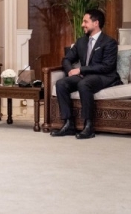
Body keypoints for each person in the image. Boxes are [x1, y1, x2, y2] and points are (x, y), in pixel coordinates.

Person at [51, 9, 121, 139]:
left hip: (106, 76)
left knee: (84, 84)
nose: (83, 24)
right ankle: (68, 124)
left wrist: (81, 70)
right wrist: (70, 72)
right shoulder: (81, 42)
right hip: (86, 76)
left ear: (96, 23)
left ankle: (88, 126)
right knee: (61, 83)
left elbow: (107, 66)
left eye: (85, 21)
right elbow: (66, 59)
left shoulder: (109, 42)